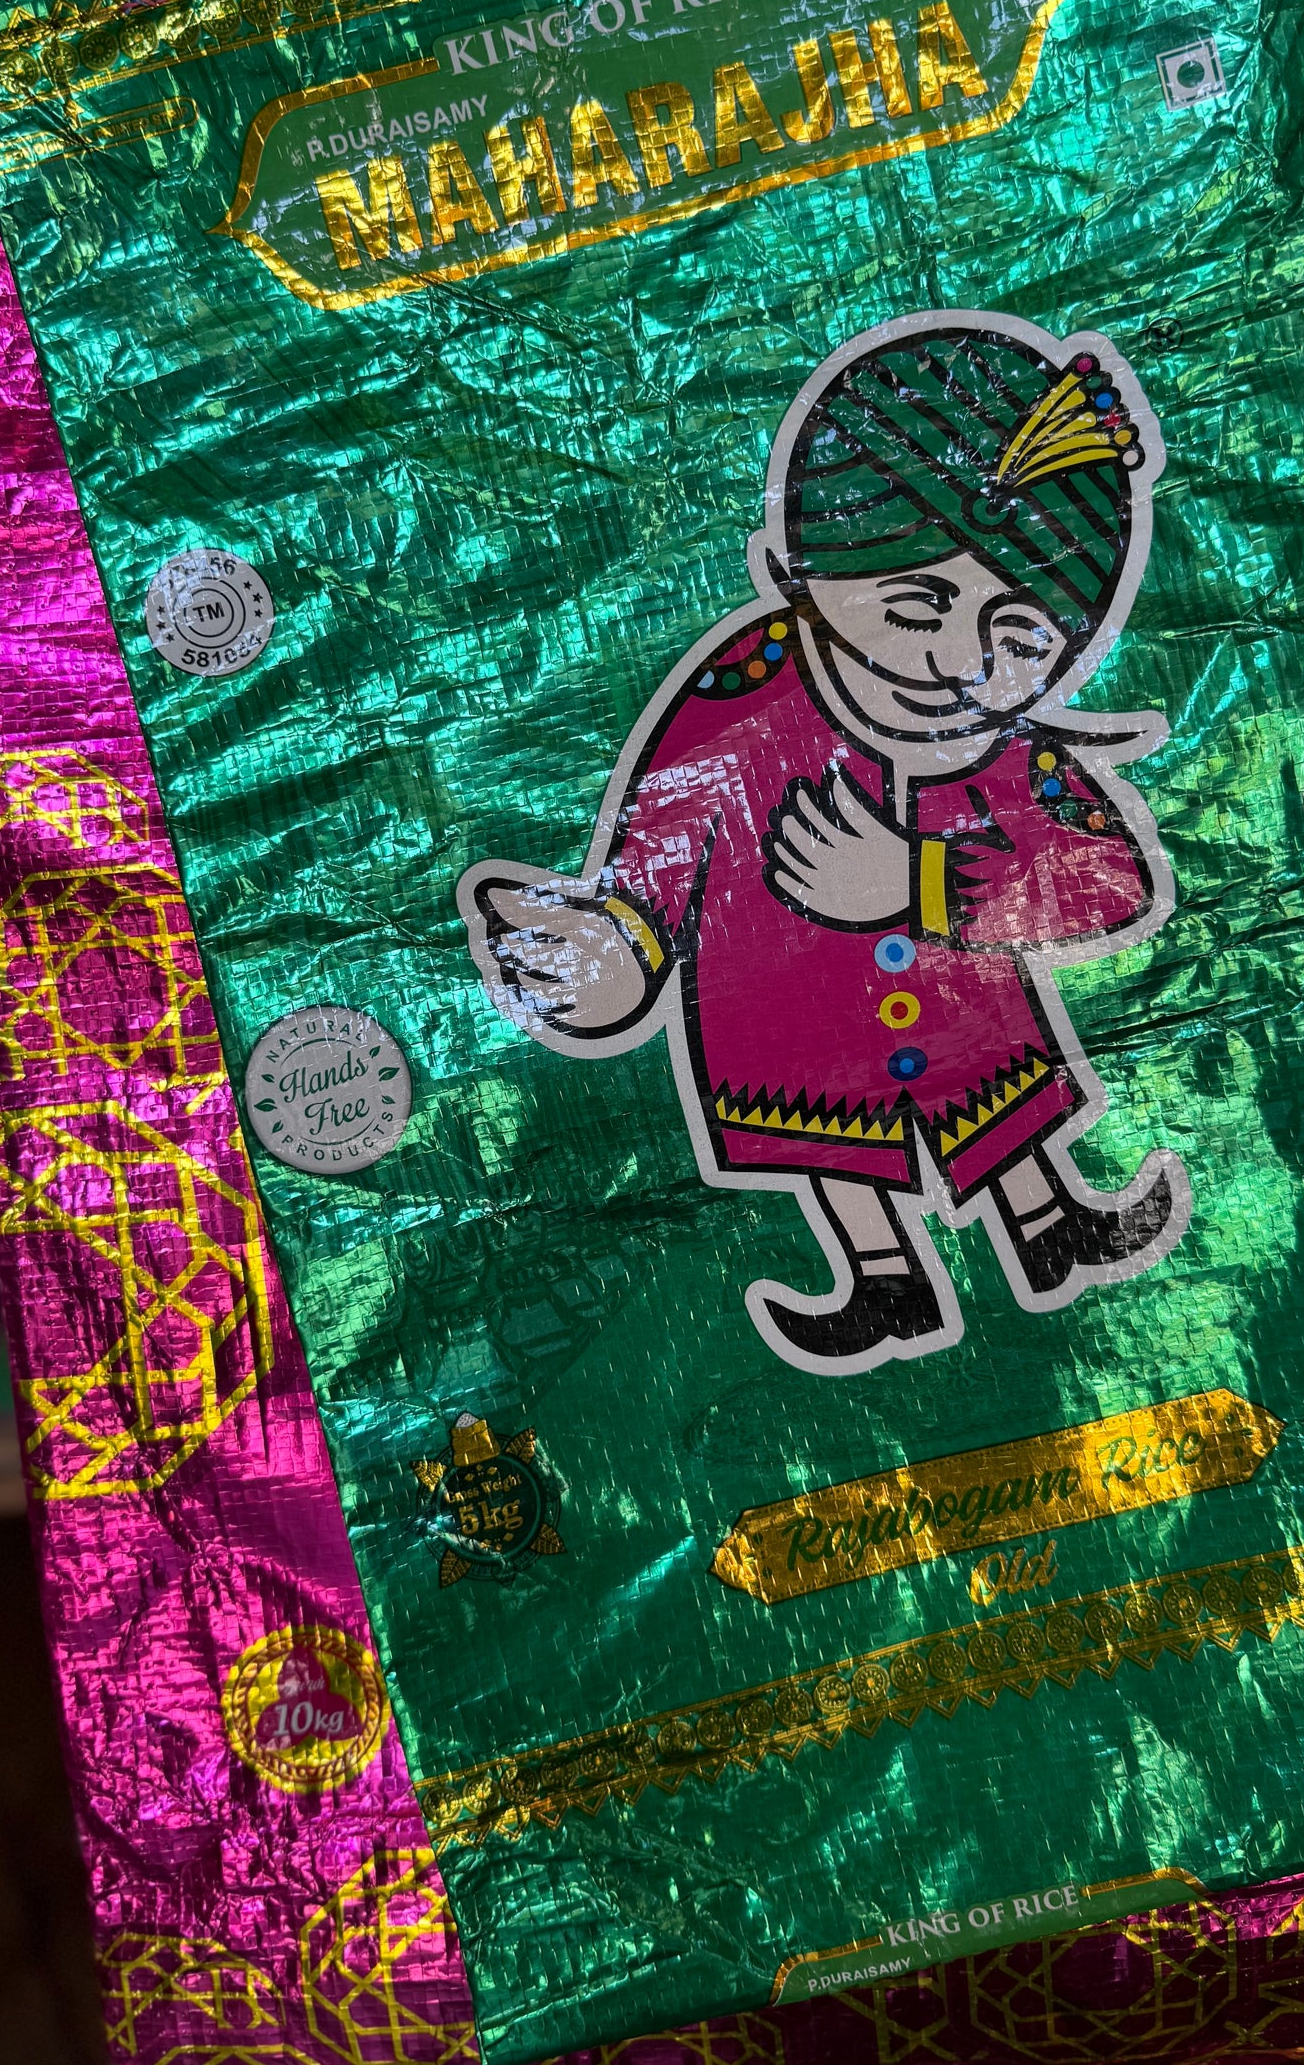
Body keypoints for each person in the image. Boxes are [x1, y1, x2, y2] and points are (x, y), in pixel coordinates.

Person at [461, 311, 1189, 1374]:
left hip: (960, 1004)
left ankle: (1052, 1225)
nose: (957, 661)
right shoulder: (745, 698)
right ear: (792, 568)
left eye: (1018, 634)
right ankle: (882, 1280)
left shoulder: (1000, 743)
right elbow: (668, 825)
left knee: (991, 1101)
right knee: (830, 1137)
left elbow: (1105, 881)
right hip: (781, 1010)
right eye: (916, 604)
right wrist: (620, 947)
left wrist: (921, 880)